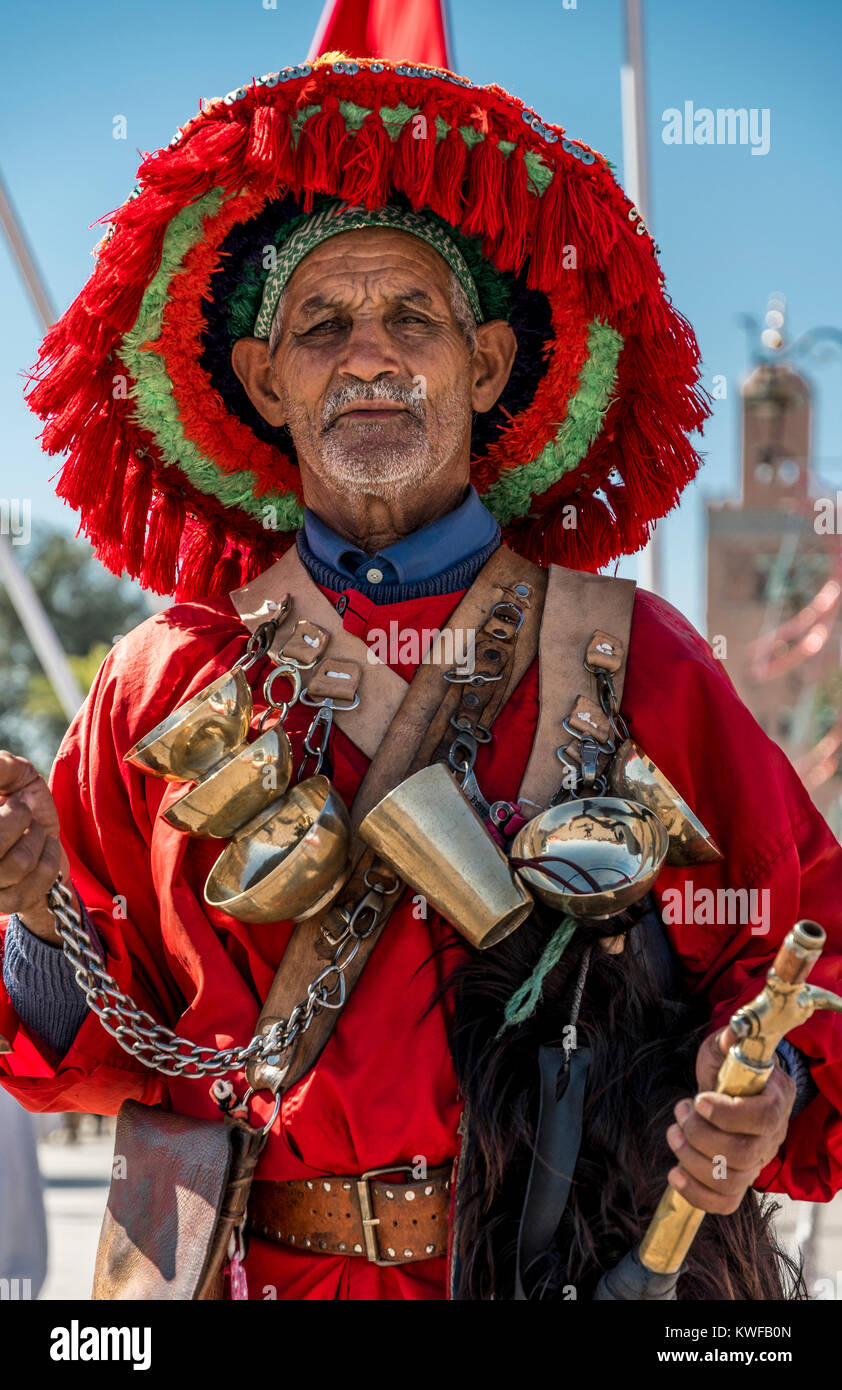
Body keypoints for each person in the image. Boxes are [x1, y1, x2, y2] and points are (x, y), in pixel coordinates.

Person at [1, 53, 840, 1301]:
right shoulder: (156, 683)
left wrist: (759, 1083)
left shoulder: (640, 658)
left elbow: (803, 946)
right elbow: (88, 1054)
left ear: (487, 364)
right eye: (322, 326)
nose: (369, 358)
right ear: (262, 380)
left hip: (571, 1267)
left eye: (413, 318)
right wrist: (25, 908)